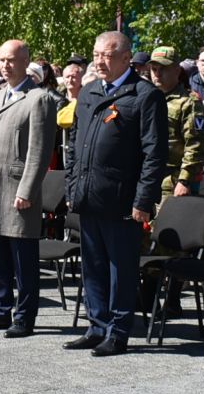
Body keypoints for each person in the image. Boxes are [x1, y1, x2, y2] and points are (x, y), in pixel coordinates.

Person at [63, 31, 168, 357]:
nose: (98, 60)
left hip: (122, 199)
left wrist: (143, 199)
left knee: (120, 268)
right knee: (91, 264)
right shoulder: (90, 92)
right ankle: (97, 326)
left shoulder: (144, 95)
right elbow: (74, 146)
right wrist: (71, 185)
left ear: (125, 58)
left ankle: (118, 331)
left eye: (106, 55)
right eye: (95, 54)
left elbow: (155, 154)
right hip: (89, 195)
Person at [0, 40, 59, 337]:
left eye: (11, 60)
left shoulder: (39, 99)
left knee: (23, 258)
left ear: (25, 62)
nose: (4, 66)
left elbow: (39, 151)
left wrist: (28, 190)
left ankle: (24, 316)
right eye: (0, 61)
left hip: (18, 187)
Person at [149, 46, 204, 197]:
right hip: (149, 177)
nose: (157, 74)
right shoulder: (148, 98)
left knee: (167, 221)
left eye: (163, 69)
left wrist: (185, 180)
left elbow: (196, 144)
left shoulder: (189, 102)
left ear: (177, 70)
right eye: (154, 69)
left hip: (173, 181)